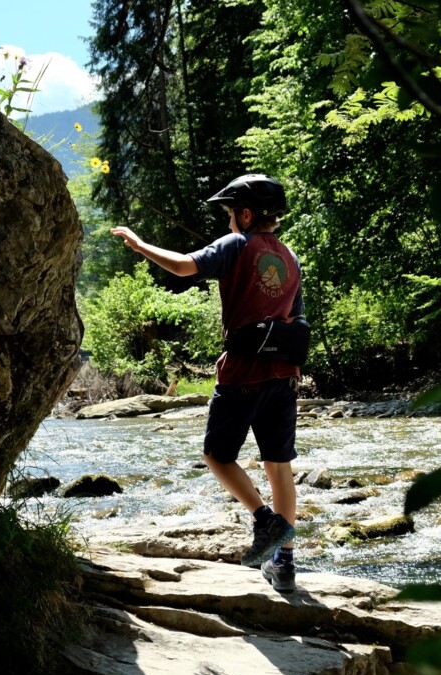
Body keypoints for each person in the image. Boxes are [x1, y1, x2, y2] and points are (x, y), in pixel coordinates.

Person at [110, 174, 303, 593]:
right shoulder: (290, 257)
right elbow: (293, 318)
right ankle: (284, 564)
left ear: (247, 213)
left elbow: (183, 265)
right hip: (284, 376)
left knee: (217, 455)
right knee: (278, 464)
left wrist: (141, 246)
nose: (230, 222)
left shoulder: (236, 245)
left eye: (231, 213)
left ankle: (265, 521)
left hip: (242, 376)